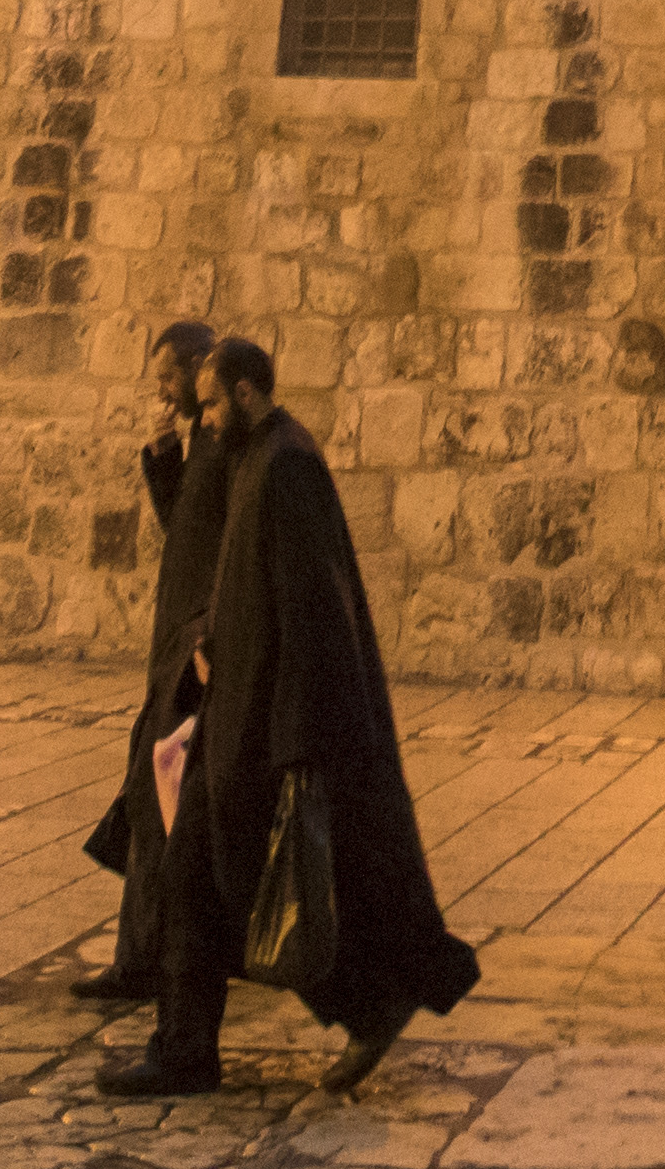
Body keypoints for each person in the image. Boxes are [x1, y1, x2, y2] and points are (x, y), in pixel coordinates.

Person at [102, 335, 480, 1096]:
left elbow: (315, 612)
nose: (202, 419)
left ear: (247, 392)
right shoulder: (256, 459)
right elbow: (245, 576)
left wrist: (297, 742)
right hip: (235, 713)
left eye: (211, 403)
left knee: (244, 889)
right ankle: (189, 1050)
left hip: (266, 730)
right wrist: (214, 638)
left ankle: (343, 1011)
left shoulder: (287, 466)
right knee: (205, 887)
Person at [76, 321, 226, 1003]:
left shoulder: (229, 442)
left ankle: (146, 960)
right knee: (163, 803)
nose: (162, 392)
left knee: (158, 796)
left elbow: (227, 549)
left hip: (197, 652)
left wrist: (209, 638)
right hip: (182, 647)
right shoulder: (200, 441)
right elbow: (186, 532)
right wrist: (164, 456)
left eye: (168, 377)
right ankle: (152, 955)